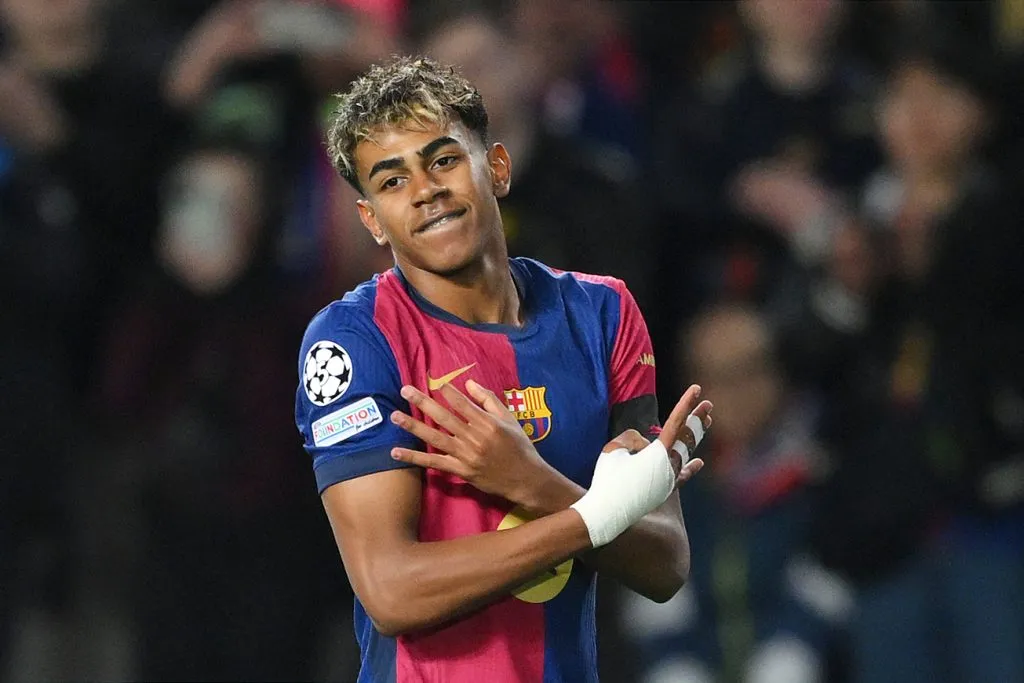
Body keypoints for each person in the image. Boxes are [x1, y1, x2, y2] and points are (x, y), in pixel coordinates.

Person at [294, 56, 713, 682]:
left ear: (496, 167)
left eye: (442, 160)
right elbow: (390, 592)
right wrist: (590, 516)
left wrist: (534, 485)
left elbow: (665, 565)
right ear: (371, 221)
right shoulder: (352, 342)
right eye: (390, 181)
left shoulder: (603, 314)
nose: (425, 190)